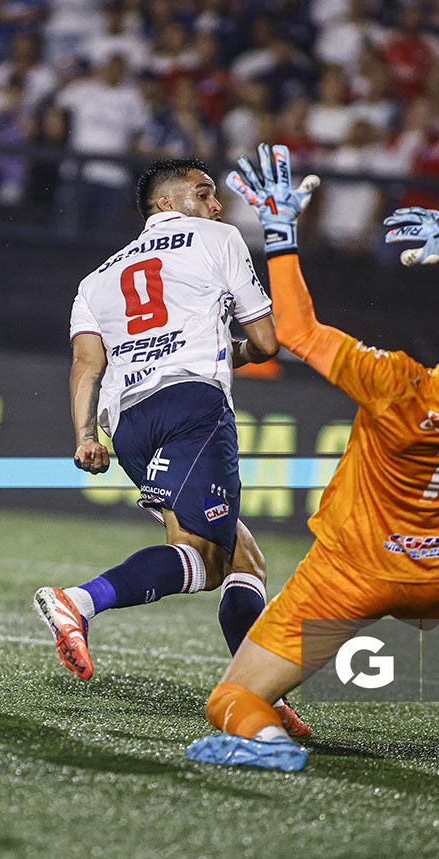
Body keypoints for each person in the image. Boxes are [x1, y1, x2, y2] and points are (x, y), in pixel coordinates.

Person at [184, 144, 439, 779]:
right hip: (430, 569)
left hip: (349, 576)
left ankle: (268, 742)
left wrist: (279, 231)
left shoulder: (399, 384)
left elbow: (297, 332)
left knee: (230, 699)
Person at [30, 157, 310, 739]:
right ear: (165, 202)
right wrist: (239, 349)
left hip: (130, 426)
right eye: (204, 192)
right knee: (205, 561)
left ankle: (257, 693)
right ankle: (78, 602)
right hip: (194, 408)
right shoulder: (219, 238)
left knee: (244, 559)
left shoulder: (96, 278)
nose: (215, 204)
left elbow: (87, 364)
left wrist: (86, 436)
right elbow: (266, 341)